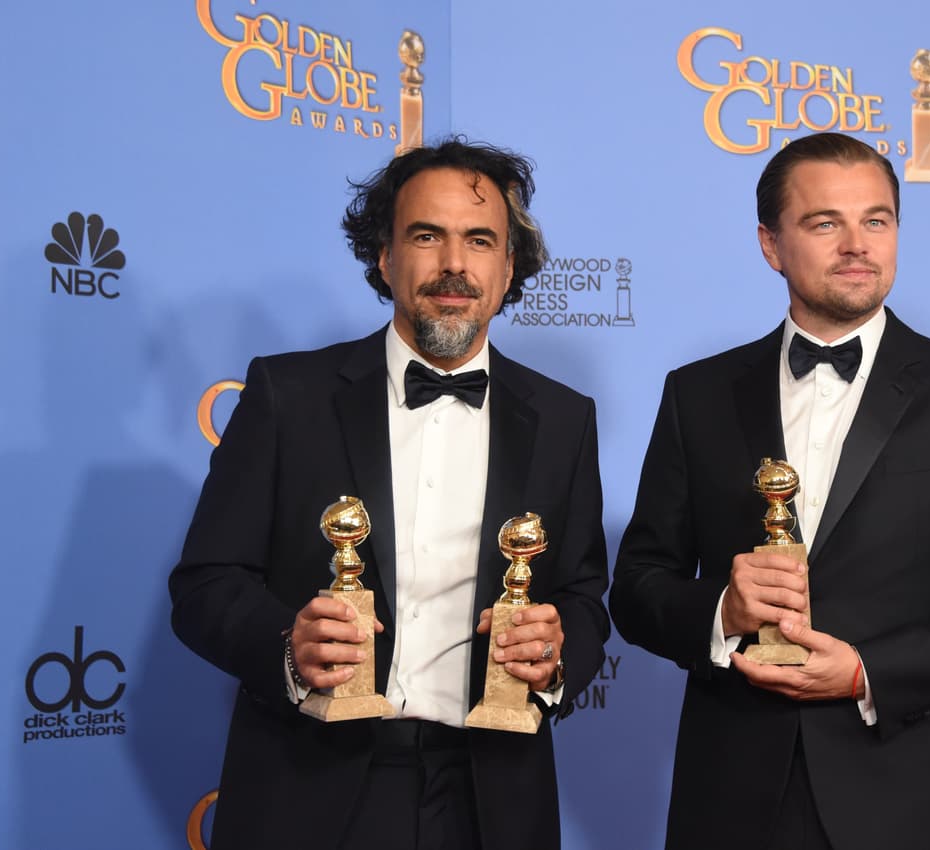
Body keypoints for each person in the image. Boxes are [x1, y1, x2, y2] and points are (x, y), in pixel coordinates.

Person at [609, 132, 930, 850]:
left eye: (876, 220)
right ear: (771, 244)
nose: (857, 244)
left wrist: (866, 672)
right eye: (826, 223)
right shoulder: (695, 395)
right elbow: (636, 588)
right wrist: (723, 610)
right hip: (732, 798)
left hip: (913, 798)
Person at [170, 138, 609, 850]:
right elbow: (205, 584)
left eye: (479, 240)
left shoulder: (565, 418)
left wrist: (557, 656)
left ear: (508, 267)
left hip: (493, 798)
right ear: (385, 256)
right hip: (306, 789)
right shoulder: (289, 396)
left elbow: (587, 593)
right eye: (426, 236)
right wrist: (287, 648)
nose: (453, 265)